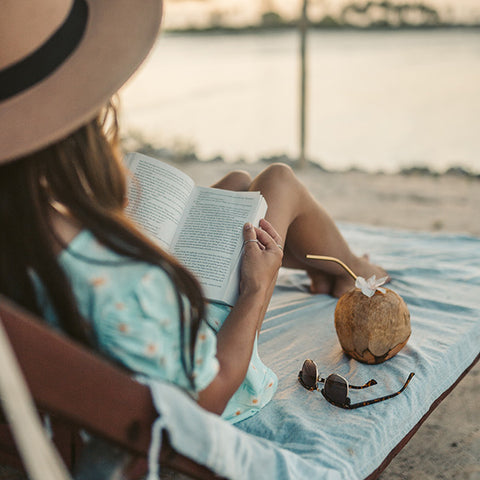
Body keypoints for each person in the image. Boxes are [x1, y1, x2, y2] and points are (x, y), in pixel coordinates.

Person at [0, 0, 387, 424]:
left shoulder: (25, 232)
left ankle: (321, 265)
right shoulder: (126, 284)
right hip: (219, 363)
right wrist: (258, 289)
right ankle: (349, 268)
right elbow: (210, 395)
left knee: (238, 187)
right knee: (276, 181)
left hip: (126, 341)